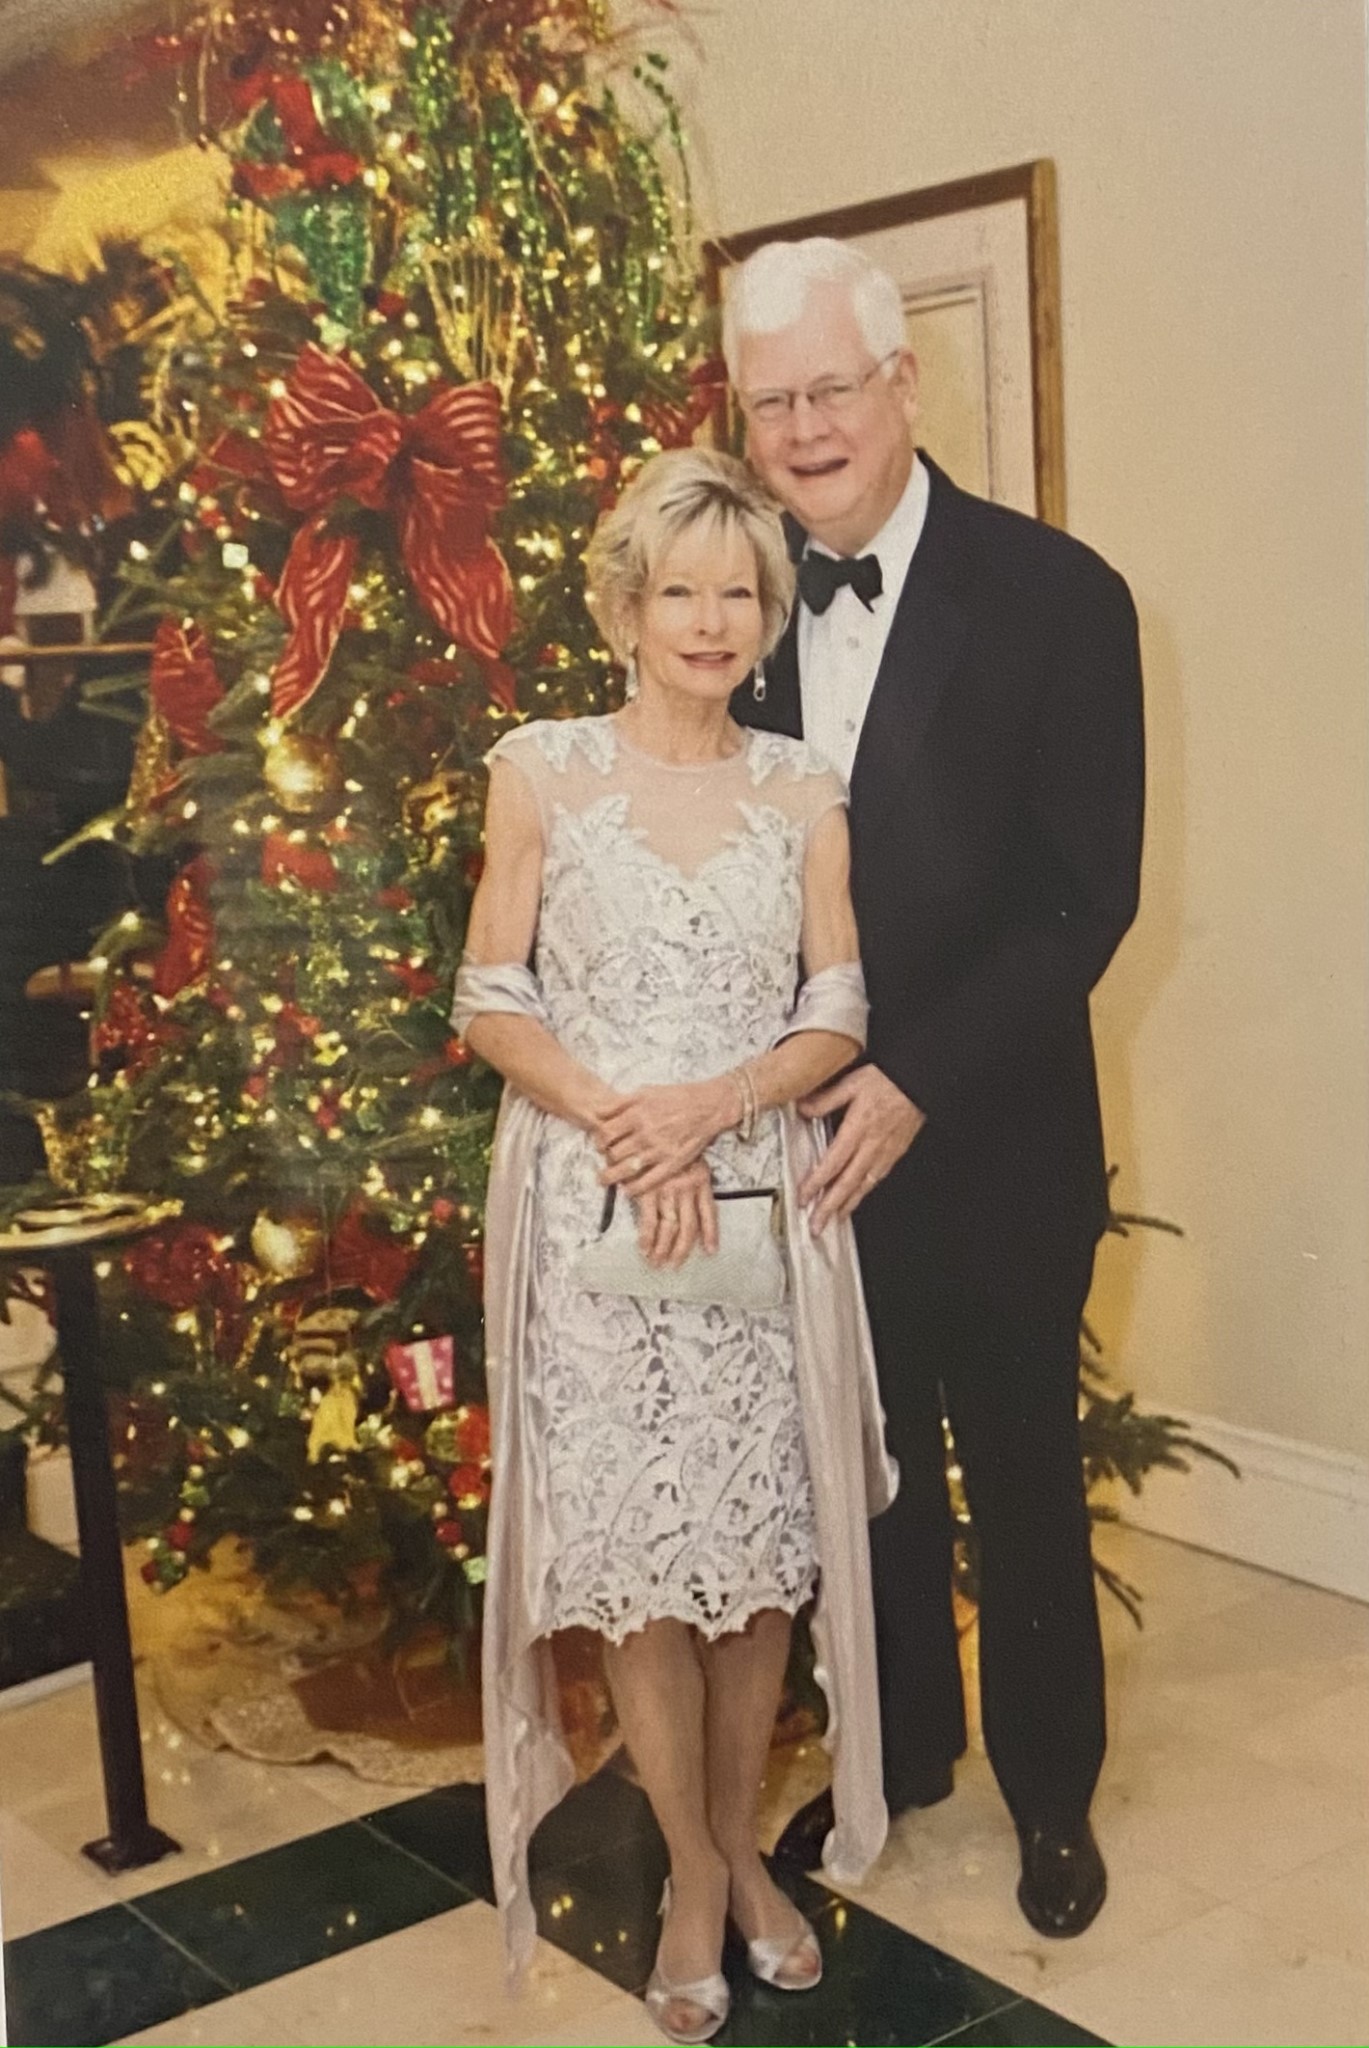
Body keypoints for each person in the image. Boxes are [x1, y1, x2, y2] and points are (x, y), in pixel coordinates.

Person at [725, 237, 1145, 1938]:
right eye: (770, 401)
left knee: (1021, 1480)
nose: (804, 429)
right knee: (862, 1474)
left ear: (902, 383)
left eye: (831, 388)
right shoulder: (728, 600)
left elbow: (1082, 900)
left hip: (994, 1137)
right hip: (807, 1151)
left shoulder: (1058, 595)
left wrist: (909, 1080)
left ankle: (1052, 1798)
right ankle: (898, 1757)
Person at [451, 446, 896, 2042]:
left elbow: (837, 1002)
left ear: (765, 615)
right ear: (626, 606)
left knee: (755, 1559)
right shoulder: (540, 770)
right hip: (594, 1211)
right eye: (680, 592)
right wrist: (618, 1116)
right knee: (644, 1567)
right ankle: (701, 1877)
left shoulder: (802, 789)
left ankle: (741, 1858)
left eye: (738, 594)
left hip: (757, 1207)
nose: (709, 621)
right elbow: (488, 992)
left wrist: (716, 1103)